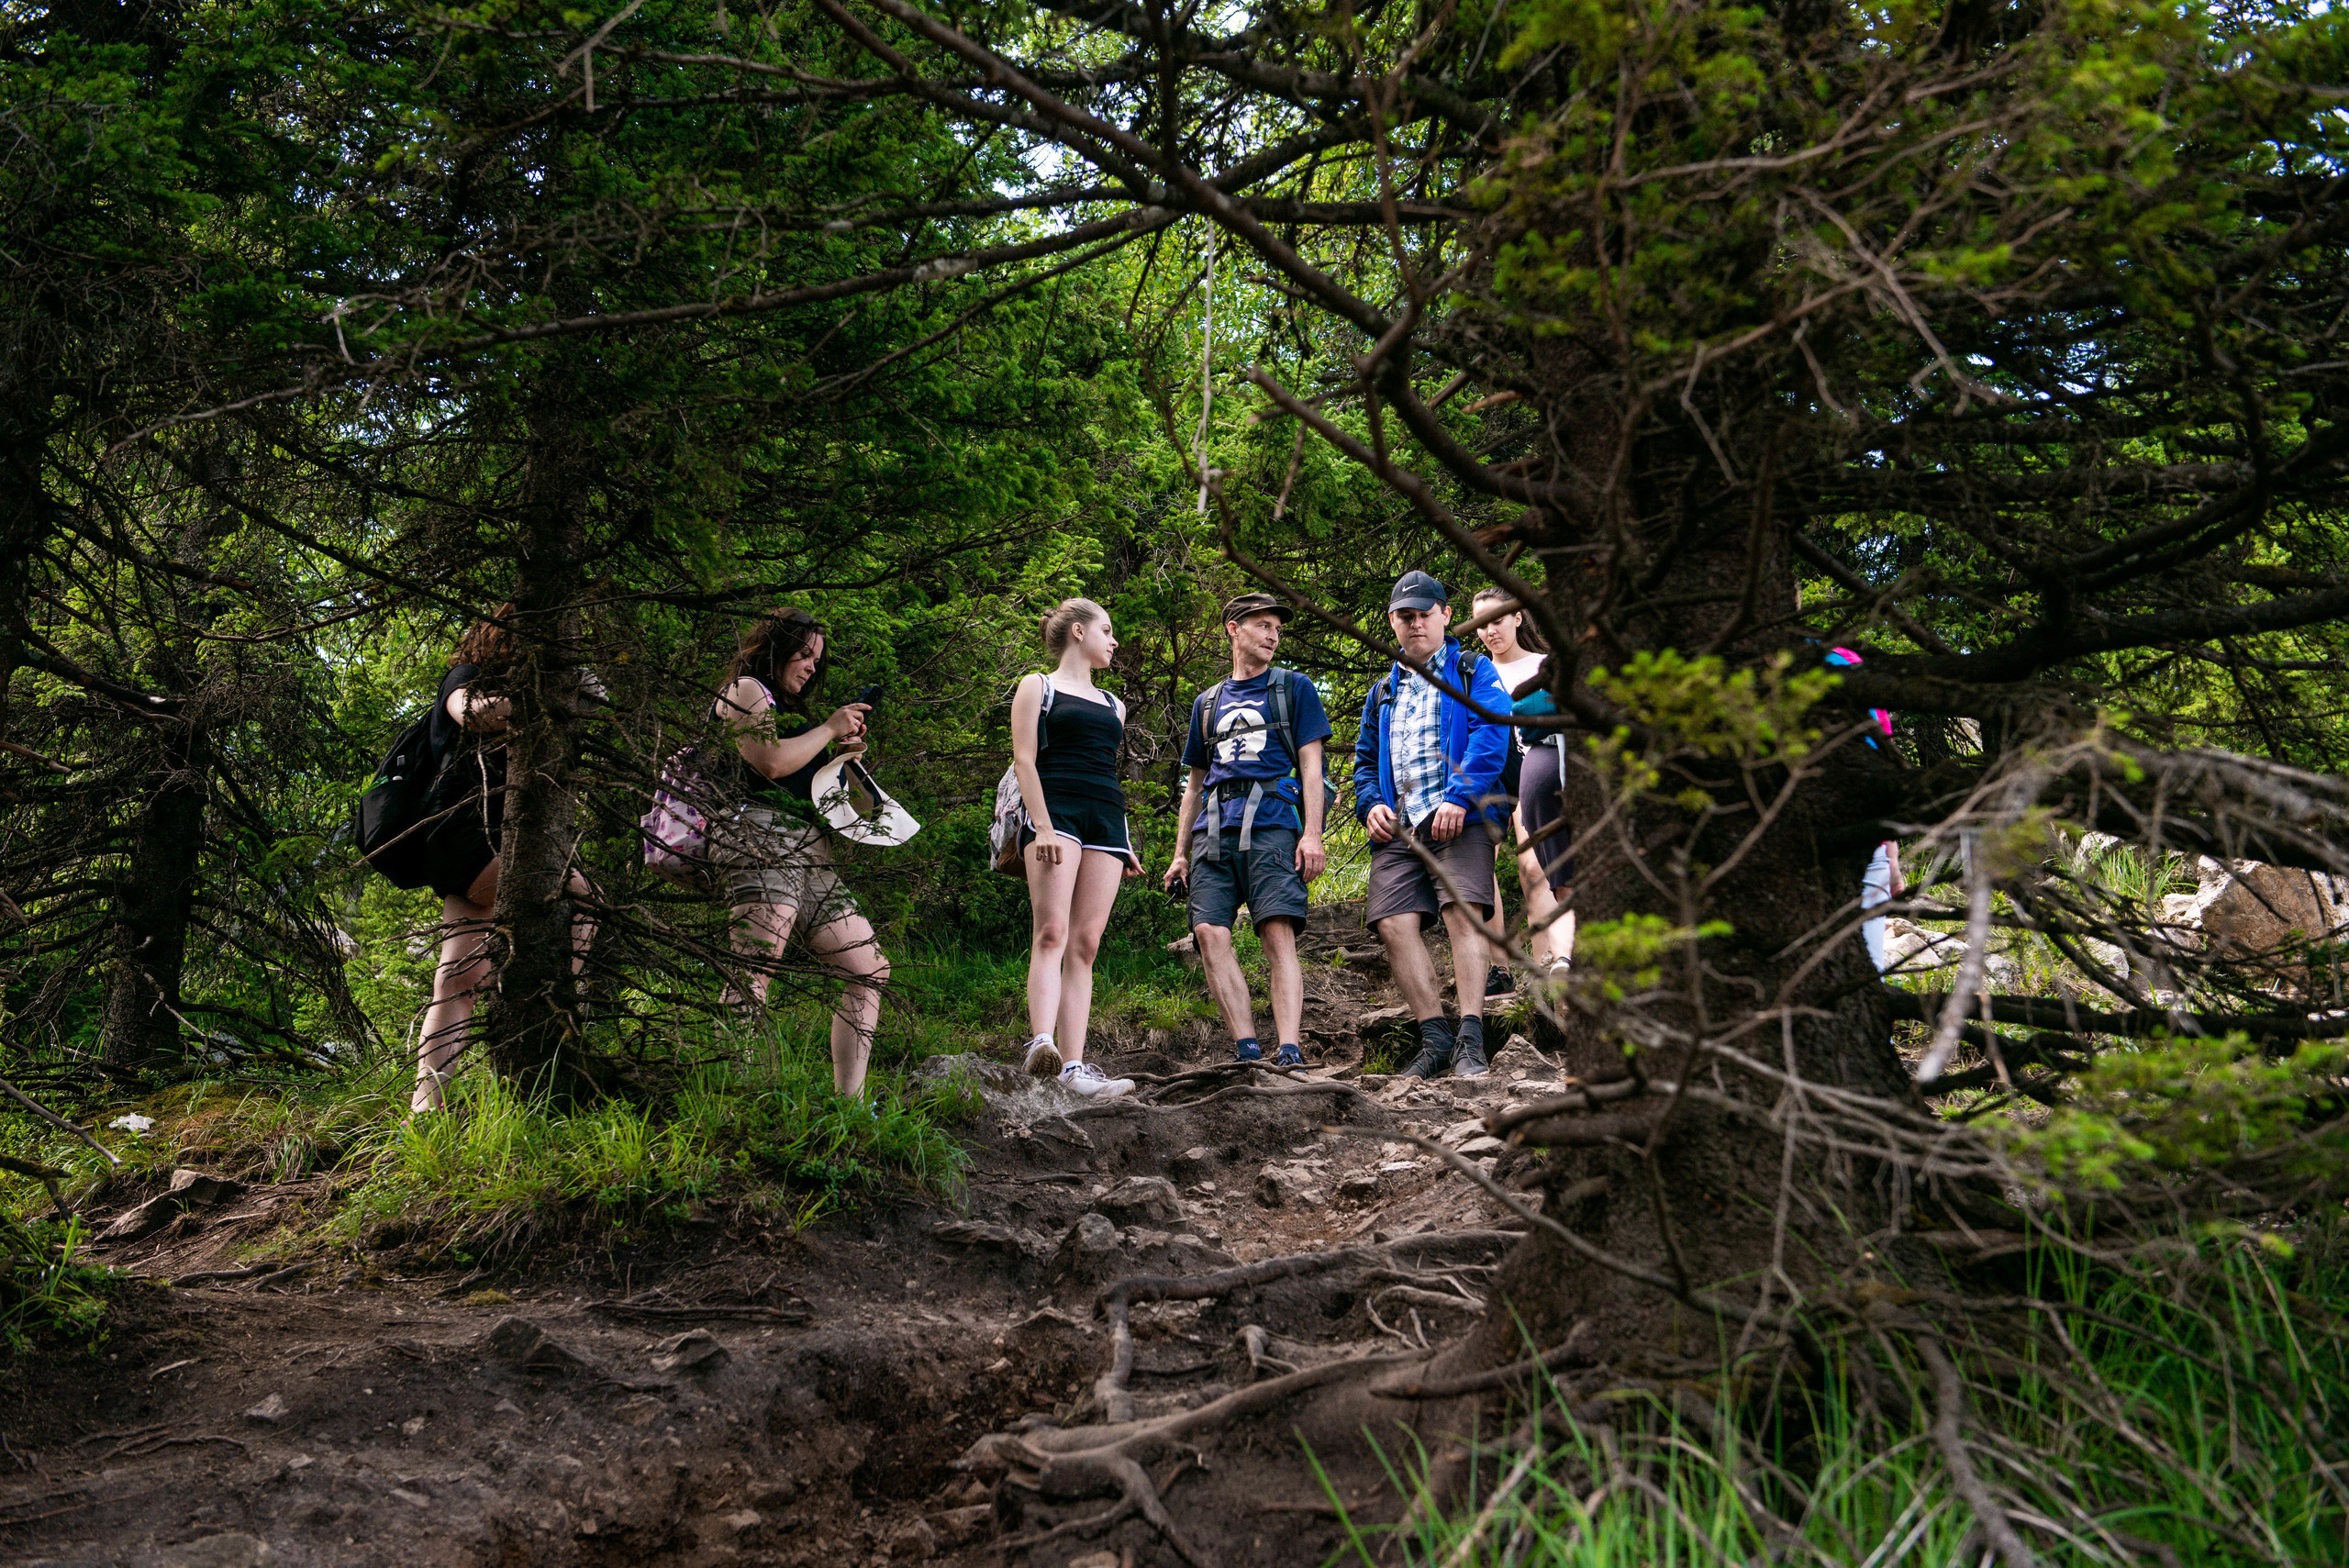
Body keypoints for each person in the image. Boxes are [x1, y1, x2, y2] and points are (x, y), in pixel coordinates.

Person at [411, 607, 597, 1113]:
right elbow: (475, 713)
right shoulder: (467, 676)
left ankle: (425, 1109)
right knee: (581, 896)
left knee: (458, 977)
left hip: (490, 842)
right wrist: (555, 696)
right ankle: (549, 1006)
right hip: (463, 837)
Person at [704, 607, 893, 1100]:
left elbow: (833, 798)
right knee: (755, 966)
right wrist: (828, 729)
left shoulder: (796, 715)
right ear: (774, 648)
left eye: (817, 659)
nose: (811, 666)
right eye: (804, 654)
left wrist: (845, 756)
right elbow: (768, 762)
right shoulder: (745, 690)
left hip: (810, 851)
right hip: (758, 837)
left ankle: (851, 1106)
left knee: (869, 968)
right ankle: (732, 1099)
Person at [1353, 572, 1515, 1080]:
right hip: (1399, 826)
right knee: (1392, 923)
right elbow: (1365, 761)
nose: (1416, 623)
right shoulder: (1383, 691)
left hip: (1459, 817)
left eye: (1425, 614)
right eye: (1406, 616)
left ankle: (1471, 1037)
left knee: (1462, 914)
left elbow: (1492, 734)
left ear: (1445, 615)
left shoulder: (1473, 671)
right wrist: (1370, 804)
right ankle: (1436, 1038)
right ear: (1392, 622)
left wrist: (1460, 798)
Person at [1164, 593, 1332, 1068]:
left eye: (1277, 628)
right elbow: (1194, 784)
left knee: (1277, 933)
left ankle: (1289, 1050)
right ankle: (1247, 1051)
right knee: (1208, 932)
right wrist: (1180, 853)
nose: (1273, 635)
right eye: (1262, 625)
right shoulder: (1207, 703)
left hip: (1273, 825)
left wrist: (1312, 834)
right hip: (1213, 831)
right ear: (1233, 629)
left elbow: (1311, 766)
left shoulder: (1294, 688)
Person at [1011, 599, 1140, 1099]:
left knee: (1085, 946)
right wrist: (1042, 827)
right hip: (1055, 813)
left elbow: (1106, 771)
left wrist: (1124, 839)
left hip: (1105, 821)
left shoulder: (1114, 705)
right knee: (1051, 932)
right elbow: (1024, 761)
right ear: (1079, 632)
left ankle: (1074, 1068)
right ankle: (1041, 1043)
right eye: (1107, 631)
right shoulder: (1037, 686)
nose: (1114, 641)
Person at [1470, 586, 1574, 985]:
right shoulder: (1474, 672)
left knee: (1534, 867)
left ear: (1517, 618)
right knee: (1481, 866)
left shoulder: (1544, 665)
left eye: (1497, 620)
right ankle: (1499, 968)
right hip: (1492, 775)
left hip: (1537, 768)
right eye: (1481, 625)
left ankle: (1548, 962)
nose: (1490, 631)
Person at [1823, 647, 1904, 969]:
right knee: (1868, 964)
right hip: (1862, 835)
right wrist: (1891, 857)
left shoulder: (1766, 657)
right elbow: (1883, 765)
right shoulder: (1847, 661)